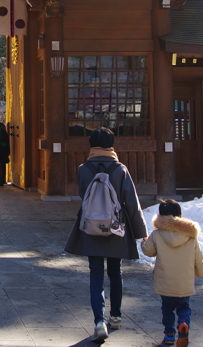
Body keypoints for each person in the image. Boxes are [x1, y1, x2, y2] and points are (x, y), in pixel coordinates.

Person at [64, 127, 147, 343]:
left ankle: (99, 321)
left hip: (91, 227)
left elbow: (84, 196)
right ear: (111, 145)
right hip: (115, 227)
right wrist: (140, 231)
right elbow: (131, 202)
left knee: (95, 275)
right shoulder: (120, 170)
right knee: (115, 272)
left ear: (91, 144)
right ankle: (116, 317)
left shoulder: (84, 169)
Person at [141, 200, 203, 347]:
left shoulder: (157, 234)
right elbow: (198, 256)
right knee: (184, 307)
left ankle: (169, 335)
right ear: (180, 215)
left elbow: (148, 251)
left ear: (161, 216)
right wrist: (199, 272)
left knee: (167, 308)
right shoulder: (190, 234)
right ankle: (183, 323)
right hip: (184, 281)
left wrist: (144, 242)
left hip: (165, 280)